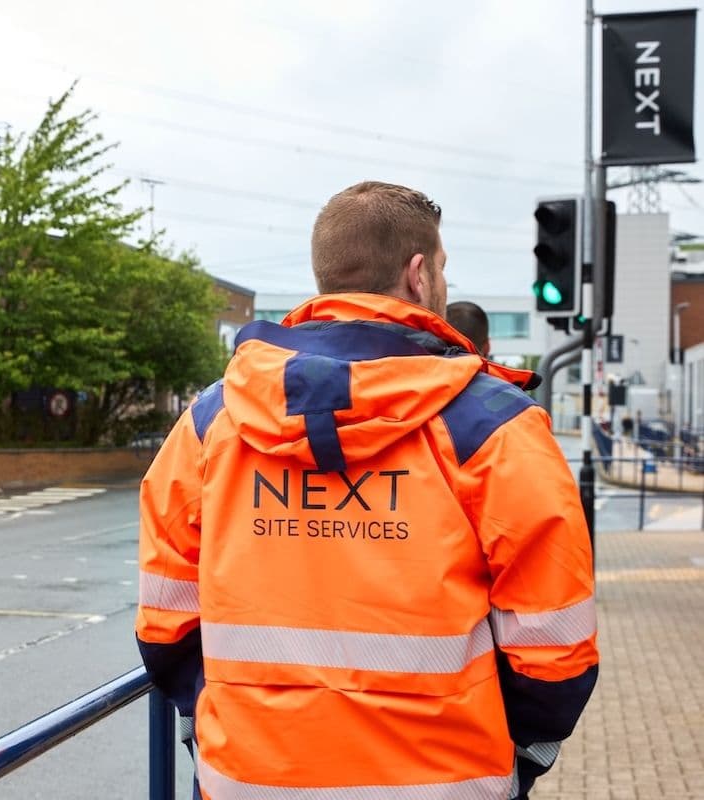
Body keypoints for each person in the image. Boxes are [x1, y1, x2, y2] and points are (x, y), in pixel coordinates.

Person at [136, 181, 598, 800]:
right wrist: (510, 752)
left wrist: (218, 728)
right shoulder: (493, 427)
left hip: (247, 779)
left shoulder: (211, 423)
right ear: (418, 275)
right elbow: (555, 648)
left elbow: (165, 622)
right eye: (441, 269)